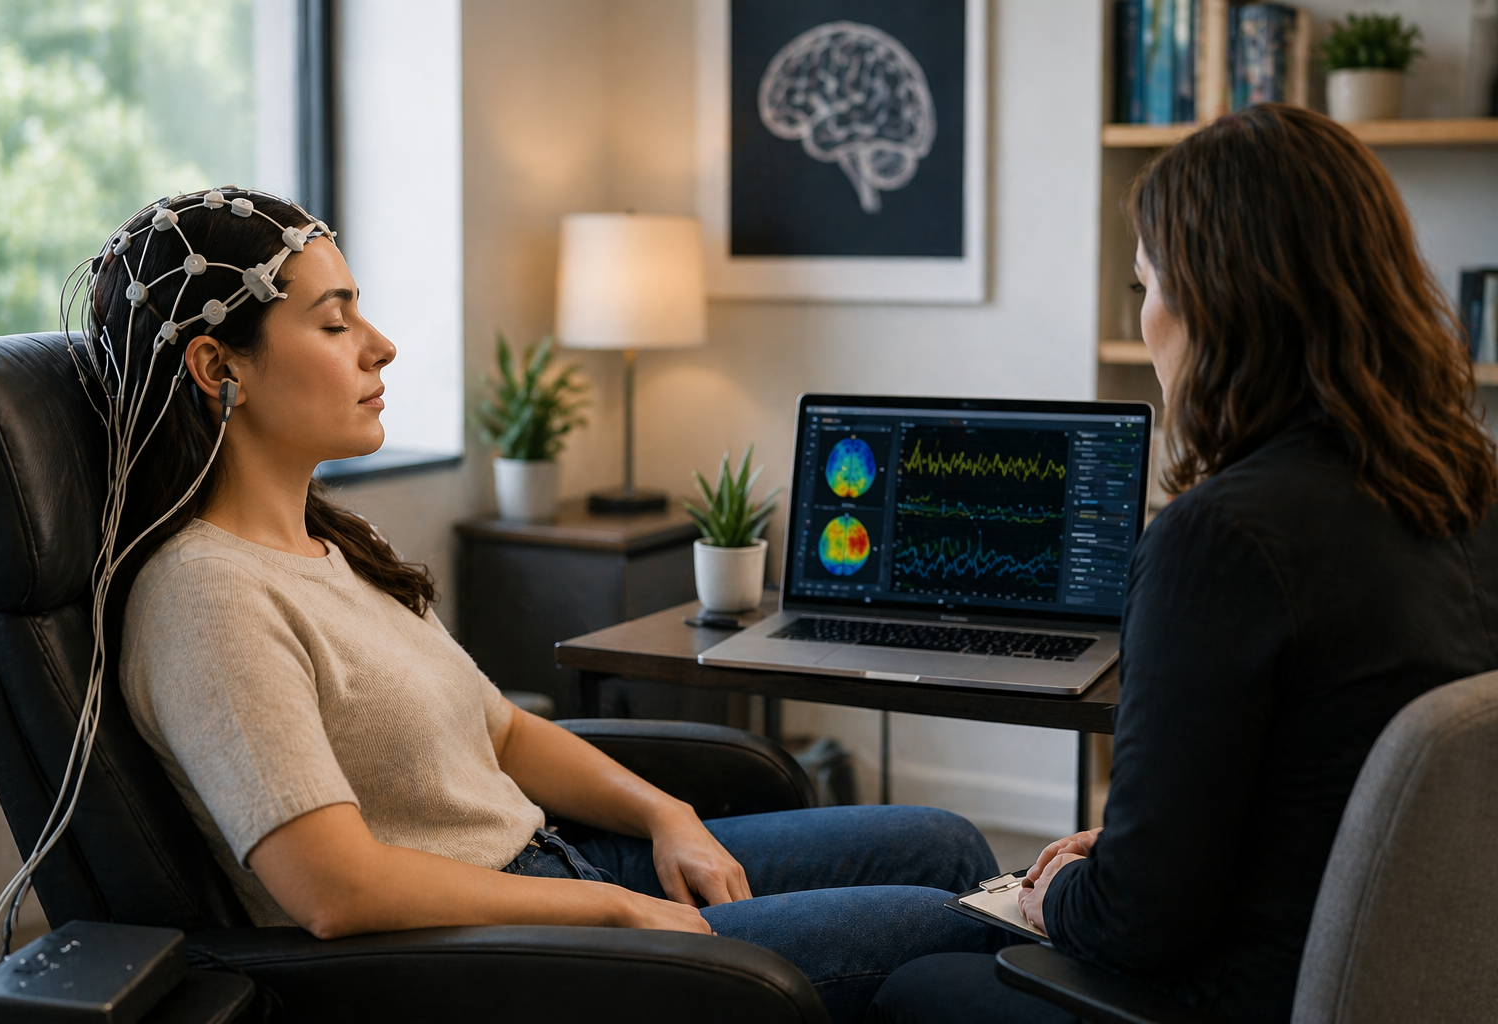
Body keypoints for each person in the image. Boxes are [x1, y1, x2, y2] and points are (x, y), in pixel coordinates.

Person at [92, 189, 1004, 1024]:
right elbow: (336, 890)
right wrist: (613, 907)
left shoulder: (332, 548)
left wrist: (664, 816)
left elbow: (505, 734)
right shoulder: (208, 598)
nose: (380, 344)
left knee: (946, 845)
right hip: (492, 956)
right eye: (335, 325)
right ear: (220, 367)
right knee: (952, 928)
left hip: (559, 868)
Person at [869, 103, 1498, 1024]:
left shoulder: (1220, 539)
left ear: (1215, 302)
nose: (1148, 316)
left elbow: (1136, 925)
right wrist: (1128, 848)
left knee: (915, 981)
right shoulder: (1472, 490)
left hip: (1245, 994)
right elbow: (1316, 782)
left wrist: (1056, 894)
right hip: (1409, 979)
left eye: (1144, 286)